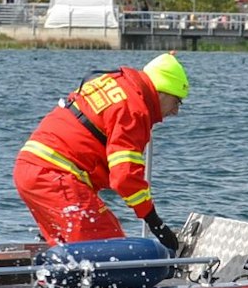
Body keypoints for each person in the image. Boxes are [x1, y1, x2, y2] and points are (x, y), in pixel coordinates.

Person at [13, 52, 188, 251]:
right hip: (55, 176)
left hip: (31, 168)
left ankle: (52, 281)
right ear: (161, 92)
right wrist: (156, 223)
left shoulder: (114, 83)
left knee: (74, 256)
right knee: (112, 253)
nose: (175, 111)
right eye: (177, 102)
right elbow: (124, 177)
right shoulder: (133, 109)